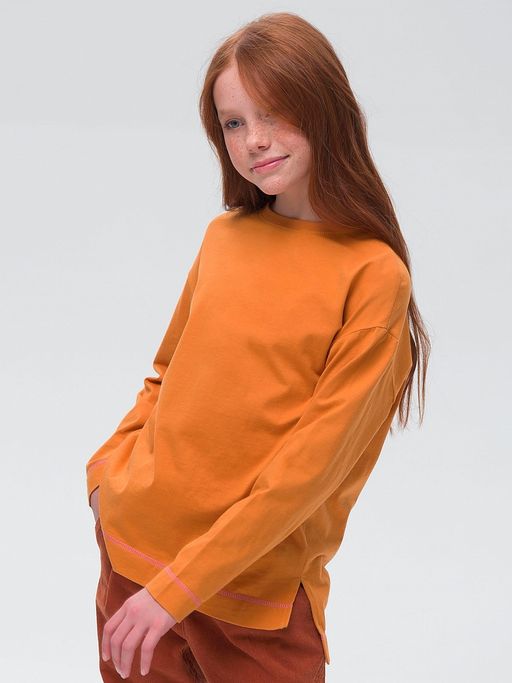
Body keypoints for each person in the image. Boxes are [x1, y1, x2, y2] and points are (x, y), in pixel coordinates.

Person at [86, 11, 431, 682]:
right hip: (134, 562)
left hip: (255, 600)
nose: (255, 140)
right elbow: (166, 375)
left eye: (274, 113)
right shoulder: (225, 237)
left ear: (325, 106)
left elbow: (308, 470)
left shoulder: (372, 274)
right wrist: (104, 478)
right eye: (234, 123)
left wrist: (179, 587)